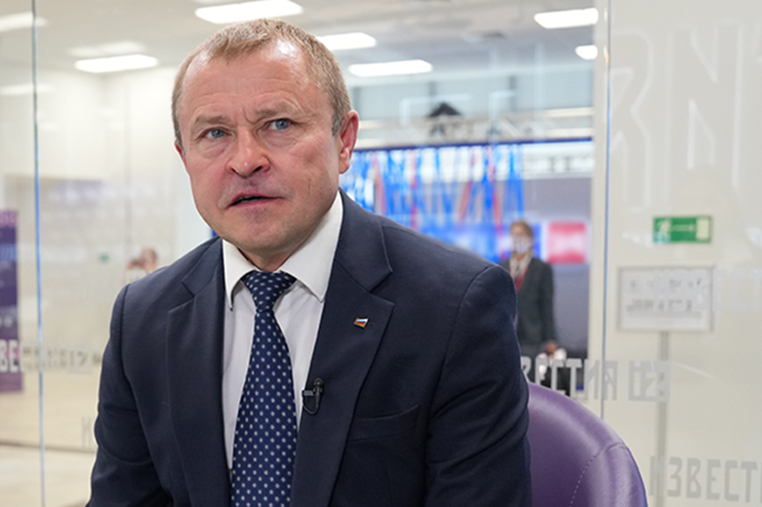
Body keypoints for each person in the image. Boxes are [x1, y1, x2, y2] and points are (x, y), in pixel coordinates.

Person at [88, 19, 530, 507]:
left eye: (279, 124)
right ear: (185, 157)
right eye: (214, 133)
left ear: (344, 141)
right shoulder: (143, 318)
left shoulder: (455, 309)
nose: (245, 160)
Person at [501, 220, 558, 378]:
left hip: (531, 336)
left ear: (530, 239)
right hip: (506, 336)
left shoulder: (542, 269)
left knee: (530, 381)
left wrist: (550, 338)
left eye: (520, 235)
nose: (517, 239)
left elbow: (546, 305)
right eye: (513, 235)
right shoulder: (502, 267)